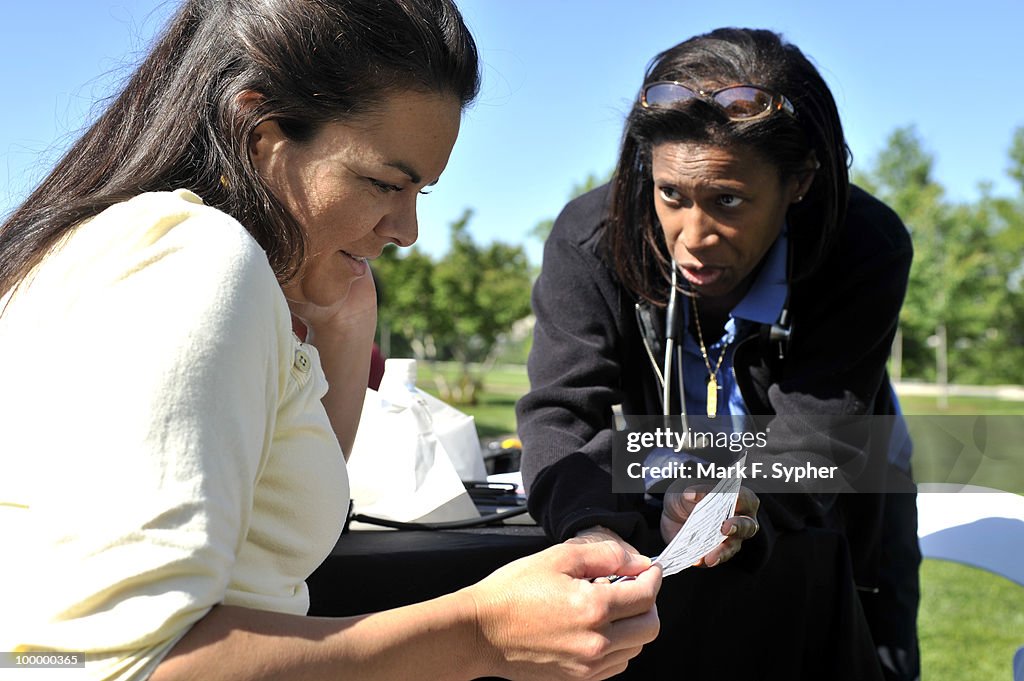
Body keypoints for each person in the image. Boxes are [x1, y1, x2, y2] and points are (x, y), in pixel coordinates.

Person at [0, 2, 664, 679]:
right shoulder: (197, 262)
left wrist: (345, 324)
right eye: (385, 182)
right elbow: (131, 666)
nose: (407, 231)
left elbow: (278, 530)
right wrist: (483, 632)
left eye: (422, 194)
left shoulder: (139, 252)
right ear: (259, 129)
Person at [517, 27, 920, 681]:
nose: (693, 237)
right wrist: (591, 527)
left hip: (838, 492)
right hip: (664, 498)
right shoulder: (590, 237)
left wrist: (742, 493)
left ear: (800, 182)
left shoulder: (865, 245)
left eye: (728, 201)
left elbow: (818, 440)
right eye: (672, 194)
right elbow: (564, 412)